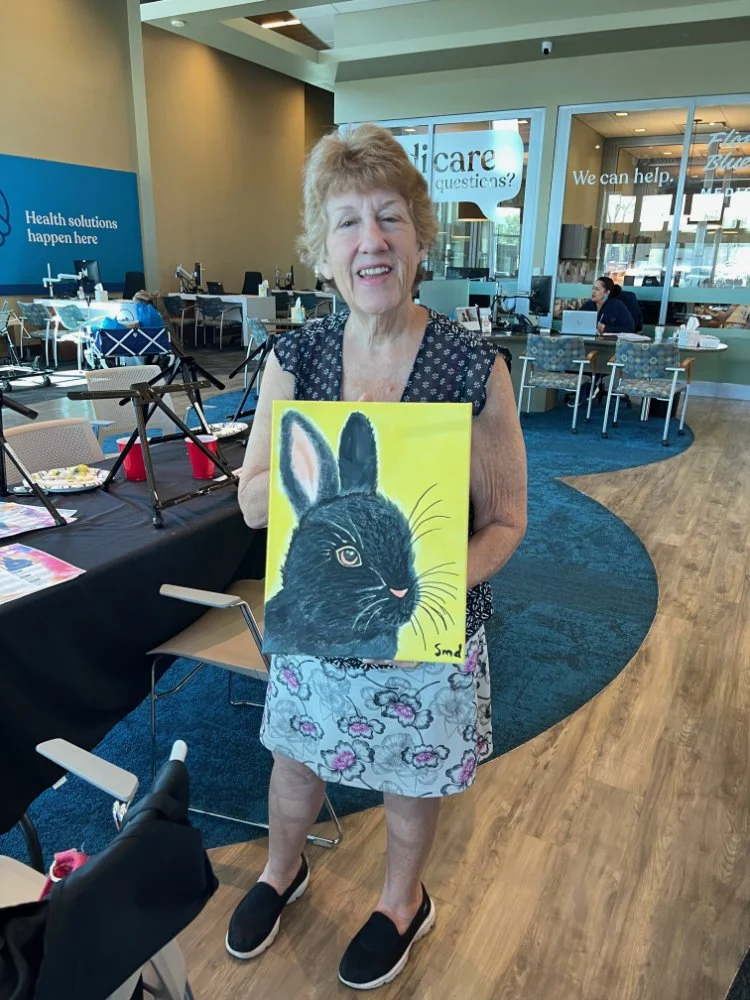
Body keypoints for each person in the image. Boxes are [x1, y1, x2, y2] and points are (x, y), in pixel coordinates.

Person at [233, 123, 527, 991]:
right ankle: (281, 872)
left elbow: (507, 522)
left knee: (409, 780)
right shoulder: (298, 358)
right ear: (324, 253)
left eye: (391, 218)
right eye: (349, 222)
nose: (372, 241)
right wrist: (266, 495)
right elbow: (253, 494)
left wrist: (429, 590)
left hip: (423, 629)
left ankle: (403, 902)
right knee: (293, 762)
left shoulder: (473, 368)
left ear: (421, 238)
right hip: (318, 622)